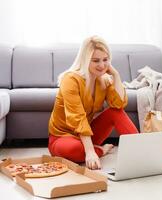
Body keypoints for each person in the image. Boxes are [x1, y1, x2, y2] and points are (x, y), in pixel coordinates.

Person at [48, 36, 139, 170]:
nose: (102, 65)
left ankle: (141, 151)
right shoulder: (70, 79)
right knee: (75, 150)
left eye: (105, 60)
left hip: (87, 135)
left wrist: (116, 75)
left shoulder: (104, 80)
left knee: (115, 112)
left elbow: (119, 105)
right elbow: (77, 117)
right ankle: (101, 150)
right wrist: (90, 152)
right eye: (96, 60)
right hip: (62, 138)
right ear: (85, 60)